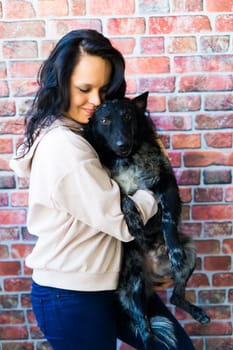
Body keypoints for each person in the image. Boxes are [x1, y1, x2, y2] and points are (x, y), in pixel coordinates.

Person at [10, 29, 195, 350]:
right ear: (60, 82)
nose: (96, 101)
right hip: (73, 296)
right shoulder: (64, 146)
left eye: (103, 89)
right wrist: (158, 186)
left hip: (110, 283)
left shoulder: (84, 131)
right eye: (84, 88)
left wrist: (149, 263)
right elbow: (123, 222)